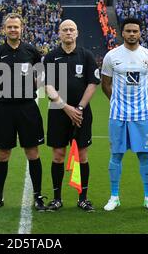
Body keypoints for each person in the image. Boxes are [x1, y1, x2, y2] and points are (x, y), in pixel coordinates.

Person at [0, 13, 47, 212]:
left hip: (27, 108)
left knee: (33, 152)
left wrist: (31, 87)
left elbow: (41, 75)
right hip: (4, 110)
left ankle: (38, 197)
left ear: (21, 29)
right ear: (4, 29)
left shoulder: (30, 51)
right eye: (9, 27)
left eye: (16, 27)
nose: (13, 30)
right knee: (3, 154)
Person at [101, 17, 148, 212]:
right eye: (128, 31)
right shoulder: (112, 56)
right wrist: (116, 102)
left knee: (144, 155)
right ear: (122, 33)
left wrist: (141, 103)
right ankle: (114, 196)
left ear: (140, 33)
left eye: (135, 31)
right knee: (116, 155)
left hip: (142, 116)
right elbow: (105, 85)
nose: (132, 34)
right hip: (118, 115)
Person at [43, 19, 100, 212]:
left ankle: (82, 198)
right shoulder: (51, 57)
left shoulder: (86, 56)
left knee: (82, 155)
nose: (68, 32)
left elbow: (92, 83)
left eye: (71, 30)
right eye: (65, 30)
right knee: (58, 155)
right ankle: (57, 198)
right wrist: (65, 107)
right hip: (58, 113)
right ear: (59, 33)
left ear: (77, 33)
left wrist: (80, 108)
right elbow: (48, 86)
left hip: (82, 114)